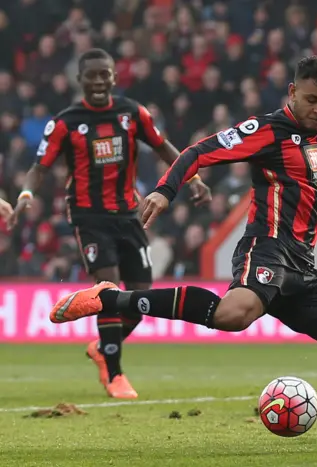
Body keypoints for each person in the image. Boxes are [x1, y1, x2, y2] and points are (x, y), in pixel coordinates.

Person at [48, 13, 317, 451]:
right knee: (233, 315)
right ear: (292, 93)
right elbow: (198, 152)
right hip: (266, 247)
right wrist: (167, 190)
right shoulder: (265, 132)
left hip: (301, 263)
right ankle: (108, 298)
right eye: (312, 100)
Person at [9, 48, 212, 399]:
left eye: (106, 74)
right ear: (81, 80)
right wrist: (26, 194)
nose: (100, 80)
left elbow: (163, 147)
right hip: (89, 216)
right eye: (93, 75)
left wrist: (191, 178)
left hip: (128, 213)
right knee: (109, 289)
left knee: (139, 294)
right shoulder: (66, 121)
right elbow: (40, 166)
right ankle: (115, 374)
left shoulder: (133, 113)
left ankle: (103, 348)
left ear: (114, 77)